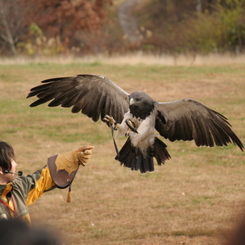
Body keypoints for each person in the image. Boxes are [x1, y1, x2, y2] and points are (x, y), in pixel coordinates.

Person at [0, 141, 93, 224]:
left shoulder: (18, 187)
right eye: (11, 160)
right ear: (1, 170)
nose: (16, 164)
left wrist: (73, 159)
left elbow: (43, 179)